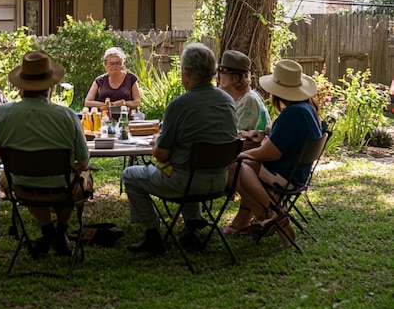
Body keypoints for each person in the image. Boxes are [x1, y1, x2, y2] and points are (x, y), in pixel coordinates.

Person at [122, 43, 237, 255]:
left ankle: (152, 235)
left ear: (186, 73)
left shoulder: (179, 105)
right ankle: (192, 226)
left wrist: (157, 140)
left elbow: (161, 154)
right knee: (187, 163)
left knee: (130, 174)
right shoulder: (228, 101)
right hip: (219, 180)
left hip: (185, 182)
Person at [0, 50, 91, 257]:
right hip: (63, 187)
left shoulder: (2, 113)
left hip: (21, 185)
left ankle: (48, 231)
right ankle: (60, 232)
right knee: (75, 180)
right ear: (50, 86)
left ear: (20, 86)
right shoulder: (67, 116)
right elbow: (84, 162)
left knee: (18, 181)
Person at [228, 59, 323, 244]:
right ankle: (269, 216)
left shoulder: (292, 114)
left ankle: (270, 213)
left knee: (234, 166)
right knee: (244, 166)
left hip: (284, 175)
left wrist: (243, 154)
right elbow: (288, 139)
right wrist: (267, 134)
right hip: (297, 173)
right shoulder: (307, 108)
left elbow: (270, 154)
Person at [217, 50, 271, 142]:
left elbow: (229, 135)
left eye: (222, 71)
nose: (219, 75)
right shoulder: (241, 98)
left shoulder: (248, 101)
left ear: (235, 78)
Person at [84, 47, 141, 112]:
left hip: (125, 116)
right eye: (112, 64)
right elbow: (87, 102)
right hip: (103, 117)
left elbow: (137, 102)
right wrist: (106, 105)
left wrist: (124, 103)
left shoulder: (131, 79)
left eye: (118, 63)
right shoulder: (99, 80)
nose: (115, 66)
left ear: (122, 64)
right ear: (105, 65)